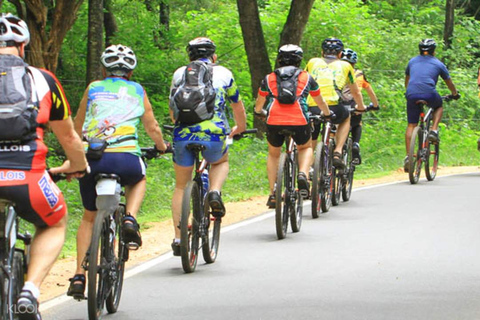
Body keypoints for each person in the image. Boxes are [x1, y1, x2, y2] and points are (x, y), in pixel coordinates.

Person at [0, 13, 88, 319]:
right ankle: (30, 290)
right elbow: (69, 137)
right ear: (23, 45)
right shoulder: (43, 80)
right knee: (55, 222)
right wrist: (76, 166)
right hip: (28, 178)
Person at [67, 44, 168, 298]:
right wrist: (161, 146)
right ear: (130, 73)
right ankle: (130, 217)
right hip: (125, 159)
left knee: (89, 217)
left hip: (94, 158)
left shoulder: (93, 88)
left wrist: (76, 149)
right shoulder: (137, 90)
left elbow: (77, 124)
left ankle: (79, 276)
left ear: (104, 69)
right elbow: (152, 125)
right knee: (140, 178)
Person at [168, 37, 246, 255]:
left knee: (181, 186)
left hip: (183, 133)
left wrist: (179, 126)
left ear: (189, 56)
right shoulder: (225, 73)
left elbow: (173, 109)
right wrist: (240, 127)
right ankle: (214, 191)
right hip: (214, 133)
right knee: (220, 161)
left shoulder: (179, 74)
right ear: (214, 55)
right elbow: (236, 104)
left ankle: (177, 238)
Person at [254, 44, 331, 208]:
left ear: (279, 59)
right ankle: (302, 174)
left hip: (274, 120)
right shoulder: (306, 77)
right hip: (299, 119)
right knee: (305, 147)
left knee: (274, 154)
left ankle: (274, 193)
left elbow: (260, 102)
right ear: (299, 60)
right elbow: (319, 100)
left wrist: (259, 111)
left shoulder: (269, 78)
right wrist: (327, 113)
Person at [305, 38, 366, 168]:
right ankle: (338, 151)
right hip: (333, 106)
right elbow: (356, 92)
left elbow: (303, 81)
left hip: (312, 105)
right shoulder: (346, 66)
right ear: (340, 54)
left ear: (322, 52)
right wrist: (360, 107)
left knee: (312, 137)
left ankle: (308, 168)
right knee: (346, 117)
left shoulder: (312, 62)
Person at [404, 39, 459, 171]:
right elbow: (449, 82)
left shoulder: (412, 61)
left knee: (411, 125)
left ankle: (408, 157)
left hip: (411, 93)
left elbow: (407, 80)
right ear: (434, 51)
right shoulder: (438, 63)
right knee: (438, 105)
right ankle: (433, 130)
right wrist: (454, 93)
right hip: (429, 93)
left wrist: (409, 93)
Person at [340, 48, 380, 165]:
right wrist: (375, 105)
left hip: (337, 103)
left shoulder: (335, 72)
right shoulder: (359, 74)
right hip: (354, 104)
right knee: (357, 123)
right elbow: (369, 90)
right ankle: (356, 143)